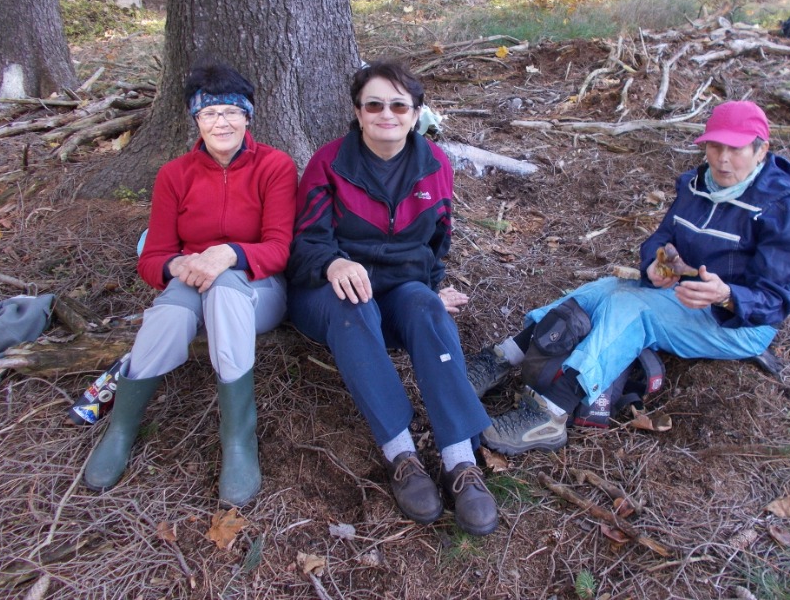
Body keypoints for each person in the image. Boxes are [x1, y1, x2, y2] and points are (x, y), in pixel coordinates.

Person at [468, 101, 790, 455]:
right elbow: (663, 238)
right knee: (600, 290)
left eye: (735, 149)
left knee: (631, 307)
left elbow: (776, 299)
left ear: (761, 150)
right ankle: (499, 359)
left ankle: (549, 414)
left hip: (739, 324)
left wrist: (726, 296)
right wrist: (658, 262)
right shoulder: (698, 184)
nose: (723, 159)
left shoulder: (782, 209)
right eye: (715, 146)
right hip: (683, 293)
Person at [285, 61, 498, 535]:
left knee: (425, 308)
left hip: (400, 287)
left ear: (416, 113)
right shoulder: (329, 163)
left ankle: (460, 460)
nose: (387, 114)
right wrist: (332, 263)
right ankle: (401, 453)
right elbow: (301, 245)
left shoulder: (436, 166)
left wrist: (433, 288)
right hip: (328, 291)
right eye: (374, 104)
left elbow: (437, 241)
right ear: (358, 113)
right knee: (353, 306)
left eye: (399, 105)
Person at [83, 62, 298, 506]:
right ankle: (122, 427)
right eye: (209, 113)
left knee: (223, 290)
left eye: (231, 112)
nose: (221, 122)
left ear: (248, 116)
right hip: (190, 282)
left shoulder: (275, 167)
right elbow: (153, 258)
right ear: (195, 120)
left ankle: (238, 440)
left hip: (257, 289)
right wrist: (181, 267)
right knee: (168, 313)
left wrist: (229, 255)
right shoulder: (173, 175)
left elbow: (280, 249)